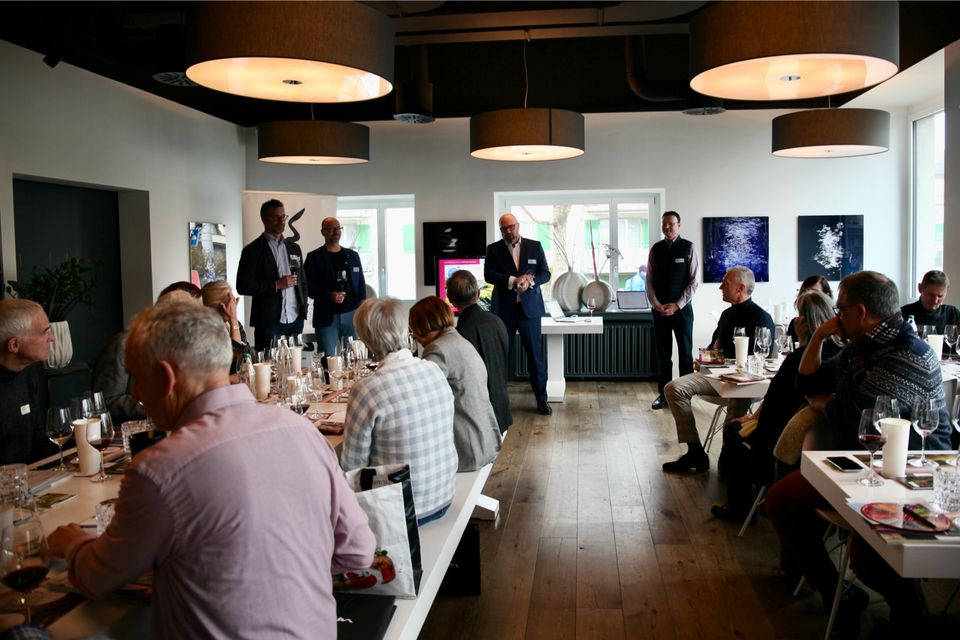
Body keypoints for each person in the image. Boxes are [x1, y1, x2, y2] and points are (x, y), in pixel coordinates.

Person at [47, 301, 375, 639]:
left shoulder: (159, 470)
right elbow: (358, 550)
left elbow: (99, 578)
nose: (136, 394)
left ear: (166, 377)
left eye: (137, 378)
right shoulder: (302, 430)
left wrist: (72, 544)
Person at [766, 270, 952, 637]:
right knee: (780, 500)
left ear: (861, 312)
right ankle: (837, 592)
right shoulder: (860, 346)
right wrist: (818, 336)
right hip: (861, 462)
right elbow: (808, 383)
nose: (836, 316)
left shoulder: (909, 353)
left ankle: (910, 616)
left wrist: (828, 404)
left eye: (840, 310)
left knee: (868, 557)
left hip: (915, 469)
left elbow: (863, 416)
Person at [712, 290, 838, 522]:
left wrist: (754, 419)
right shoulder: (839, 354)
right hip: (822, 441)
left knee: (732, 430)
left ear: (805, 321)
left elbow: (774, 400)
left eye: (799, 315)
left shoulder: (799, 359)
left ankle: (740, 505)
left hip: (778, 440)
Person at [340, 298, 458, 525]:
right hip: (443, 496)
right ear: (405, 329)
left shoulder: (366, 390)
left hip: (401, 512)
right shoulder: (433, 369)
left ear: (366, 337)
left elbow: (352, 466)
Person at [661, 266, 775, 473]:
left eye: (725, 283)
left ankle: (729, 453)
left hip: (745, 383)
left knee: (737, 397)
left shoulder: (761, 318)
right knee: (673, 388)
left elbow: (760, 359)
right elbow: (715, 348)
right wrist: (704, 360)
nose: (720, 287)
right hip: (718, 376)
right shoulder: (726, 315)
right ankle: (695, 451)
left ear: (740, 288)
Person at [409, 296, 501, 472]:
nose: (414, 335)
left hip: (466, 448)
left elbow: (421, 400)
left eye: (414, 328)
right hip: (485, 438)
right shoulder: (458, 340)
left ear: (424, 324)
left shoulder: (437, 349)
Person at [91, 282, 202, 423]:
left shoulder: (181, 347)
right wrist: (155, 405)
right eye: (192, 314)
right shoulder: (123, 344)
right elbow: (105, 402)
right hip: (131, 433)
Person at [484, 213, 552, 415]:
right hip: (504, 311)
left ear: (518, 226)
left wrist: (530, 280)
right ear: (500, 230)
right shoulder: (493, 249)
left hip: (529, 311)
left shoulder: (534, 246)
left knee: (535, 357)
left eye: (511, 227)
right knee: (501, 357)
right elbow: (489, 275)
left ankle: (542, 401)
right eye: (504, 228)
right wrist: (513, 280)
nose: (508, 231)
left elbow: (545, 273)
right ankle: (498, 403)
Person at [445, 269, 513, 433]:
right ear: (478, 293)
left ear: (451, 300)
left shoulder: (460, 334)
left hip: (481, 416)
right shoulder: (497, 321)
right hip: (502, 407)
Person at [236, 198, 307, 351]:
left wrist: (303, 308)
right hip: (269, 322)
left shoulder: (294, 248)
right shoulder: (252, 250)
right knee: (269, 364)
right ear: (263, 219)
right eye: (276, 217)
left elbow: (302, 281)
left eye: (283, 216)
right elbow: (243, 286)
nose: (281, 221)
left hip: (295, 319)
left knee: (295, 363)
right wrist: (276, 285)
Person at [647, 211, 699, 410]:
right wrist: (656, 304)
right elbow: (649, 282)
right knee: (663, 356)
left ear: (679, 225)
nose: (667, 227)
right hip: (659, 311)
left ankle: (685, 396)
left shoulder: (688, 247)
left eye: (671, 223)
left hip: (682, 311)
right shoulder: (656, 249)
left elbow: (694, 282)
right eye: (664, 224)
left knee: (685, 355)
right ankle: (664, 395)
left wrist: (677, 305)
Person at [0, 299, 57, 465]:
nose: (52, 338)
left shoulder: (30, 369)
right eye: (44, 332)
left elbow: (38, 439)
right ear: (15, 345)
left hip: (33, 475)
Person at [304, 216, 367, 356]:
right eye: (332, 229)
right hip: (326, 317)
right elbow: (307, 287)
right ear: (323, 232)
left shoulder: (353, 256)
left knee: (353, 358)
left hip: (352, 315)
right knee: (327, 358)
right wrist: (328, 295)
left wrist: (363, 310)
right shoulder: (314, 257)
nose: (336, 232)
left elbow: (360, 284)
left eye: (338, 228)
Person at [201, 280, 251, 374]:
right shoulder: (205, 331)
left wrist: (233, 321)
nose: (234, 304)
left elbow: (246, 356)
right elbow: (234, 361)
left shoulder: (232, 324)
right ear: (222, 306)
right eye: (230, 301)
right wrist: (233, 319)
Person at [900, 269, 960, 336]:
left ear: (947, 291)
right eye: (931, 295)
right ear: (920, 288)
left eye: (940, 296)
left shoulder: (953, 314)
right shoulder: (903, 314)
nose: (935, 301)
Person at [786, 275, 832, 345]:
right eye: (804, 292)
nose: (808, 296)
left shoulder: (833, 324)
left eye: (814, 293)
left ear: (827, 296)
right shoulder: (796, 324)